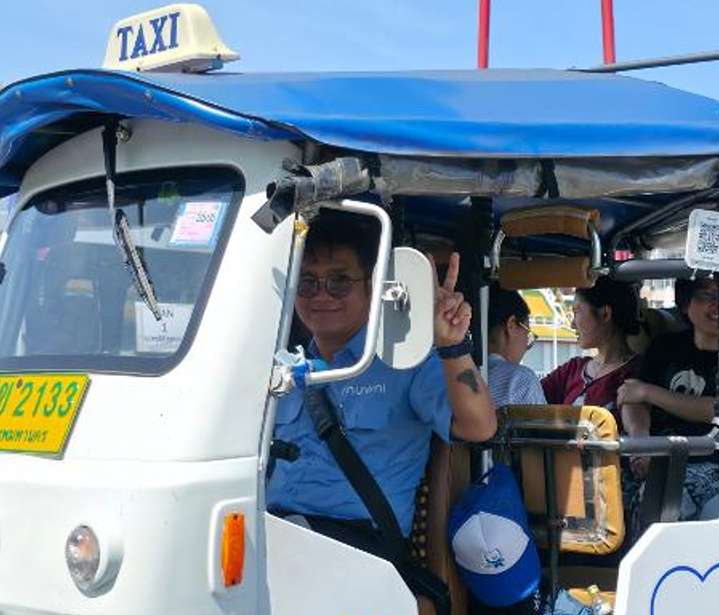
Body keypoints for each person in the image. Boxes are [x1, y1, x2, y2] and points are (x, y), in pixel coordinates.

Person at [268, 210, 496, 565]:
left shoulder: (405, 362)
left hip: (359, 551)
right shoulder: (282, 368)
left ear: (374, 287)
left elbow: (479, 427)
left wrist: (451, 344)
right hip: (274, 531)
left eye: (339, 281)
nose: (320, 295)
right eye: (307, 281)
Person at [617, 275, 719, 519]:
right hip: (650, 451)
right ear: (686, 304)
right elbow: (630, 396)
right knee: (594, 484)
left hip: (708, 460)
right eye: (706, 296)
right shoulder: (664, 347)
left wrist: (650, 392)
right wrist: (641, 442)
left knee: (661, 497)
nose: (716, 305)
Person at [541, 277, 642, 417]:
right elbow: (528, 398)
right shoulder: (572, 369)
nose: (572, 324)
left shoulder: (639, 373)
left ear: (605, 314)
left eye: (576, 312)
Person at [484, 288, 547, 408]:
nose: (526, 347)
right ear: (511, 325)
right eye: (527, 333)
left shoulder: (448, 371)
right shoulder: (519, 379)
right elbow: (540, 427)